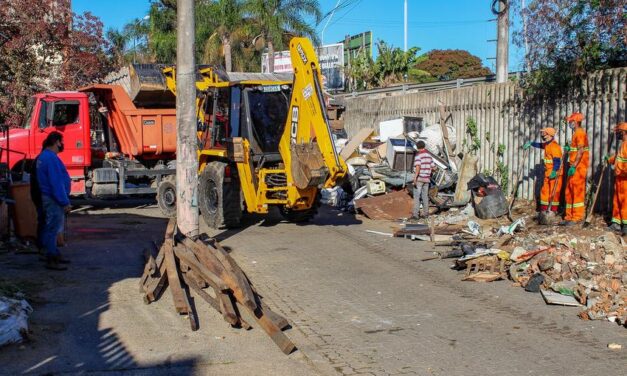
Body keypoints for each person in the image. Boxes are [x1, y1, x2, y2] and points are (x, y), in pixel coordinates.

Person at [36, 132, 71, 270]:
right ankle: (51, 258)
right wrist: (64, 201)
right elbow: (56, 183)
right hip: (53, 198)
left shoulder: (43, 156)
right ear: (57, 142)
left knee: (50, 227)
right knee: (53, 229)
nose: (62, 144)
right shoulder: (50, 158)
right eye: (61, 141)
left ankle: (54, 254)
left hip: (48, 197)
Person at [523, 127, 563, 214]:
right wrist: (531, 143)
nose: (543, 135)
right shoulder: (548, 145)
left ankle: (553, 211)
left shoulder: (555, 146)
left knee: (554, 192)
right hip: (548, 172)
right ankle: (544, 210)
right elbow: (540, 145)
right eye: (542, 134)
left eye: (544, 134)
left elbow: (557, 161)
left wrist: (554, 171)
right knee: (545, 191)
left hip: (554, 173)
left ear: (550, 135)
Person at [562, 112, 589, 225]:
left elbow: (581, 151)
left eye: (570, 121)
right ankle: (569, 216)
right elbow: (575, 150)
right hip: (574, 166)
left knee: (577, 191)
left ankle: (577, 217)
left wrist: (574, 165)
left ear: (576, 122)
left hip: (578, 167)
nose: (569, 123)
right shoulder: (576, 133)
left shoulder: (580, 133)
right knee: (569, 191)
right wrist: (569, 148)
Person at [606, 122, 627, 235]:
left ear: (624, 132)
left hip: (625, 179)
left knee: (625, 202)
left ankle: (626, 225)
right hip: (620, 178)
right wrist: (610, 159)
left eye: (619, 132)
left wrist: (623, 172)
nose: (618, 134)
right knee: (617, 201)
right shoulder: (624, 144)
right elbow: (620, 157)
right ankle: (616, 223)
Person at [412, 140, 434, 219]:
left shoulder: (418, 155)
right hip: (427, 179)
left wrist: (415, 178)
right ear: (424, 146)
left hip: (419, 179)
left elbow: (418, 167)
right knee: (425, 196)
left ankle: (416, 214)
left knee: (417, 196)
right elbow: (434, 167)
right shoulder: (429, 155)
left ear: (417, 147)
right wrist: (429, 171)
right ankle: (426, 214)